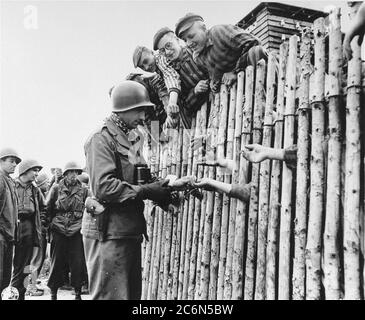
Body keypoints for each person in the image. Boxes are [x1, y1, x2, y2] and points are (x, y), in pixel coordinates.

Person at [82, 81, 194, 300]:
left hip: (128, 230)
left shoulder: (132, 137)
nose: (144, 116)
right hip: (108, 233)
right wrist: (148, 191)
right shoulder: (101, 138)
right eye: (140, 110)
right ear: (124, 108)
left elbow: (142, 176)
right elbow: (105, 188)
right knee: (111, 297)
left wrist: (167, 187)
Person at [175, 13, 267, 93]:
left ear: (203, 28)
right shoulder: (198, 58)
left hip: (259, 75)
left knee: (256, 51)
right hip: (239, 89)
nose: (189, 43)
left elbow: (253, 42)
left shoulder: (218, 32)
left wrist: (235, 72)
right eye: (185, 40)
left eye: (191, 36)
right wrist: (213, 83)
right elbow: (214, 75)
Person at [46, 161, 89, 300]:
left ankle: (77, 292)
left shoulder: (84, 189)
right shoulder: (56, 188)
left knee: (77, 262)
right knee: (56, 261)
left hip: (77, 229)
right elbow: (48, 210)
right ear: (65, 174)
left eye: (76, 172)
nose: (73, 175)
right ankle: (53, 293)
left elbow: (88, 209)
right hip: (58, 228)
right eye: (70, 172)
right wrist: (48, 228)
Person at [153, 27, 210, 129]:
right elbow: (184, 106)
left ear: (177, 39)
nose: (167, 52)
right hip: (201, 121)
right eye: (162, 50)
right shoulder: (172, 73)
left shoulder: (195, 50)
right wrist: (195, 92)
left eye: (168, 45)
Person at [11, 159, 44, 300]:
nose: (37, 174)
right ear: (25, 171)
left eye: (38, 171)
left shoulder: (35, 189)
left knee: (26, 265)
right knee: (13, 265)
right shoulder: (11, 185)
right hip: (13, 226)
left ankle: (21, 295)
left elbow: (44, 207)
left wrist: (41, 222)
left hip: (29, 227)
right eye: (34, 170)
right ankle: (12, 292)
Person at [133, 45, 181, 127]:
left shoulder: (160, 59)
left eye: (146, 61)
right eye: (142, 67)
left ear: (152, 52)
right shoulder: (156, 73)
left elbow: (170, 76)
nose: (146, 67)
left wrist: (172, 102)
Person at [0, 148, 21, 299]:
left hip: (8, 236)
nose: (15, 165)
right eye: (11, 161)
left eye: (16, 162)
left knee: (5, 277)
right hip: (1, 235)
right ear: (1, 161)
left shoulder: (10, 181)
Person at [26, 172, 50, 296]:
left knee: (35, 259)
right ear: (41, 184)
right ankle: (31, 286)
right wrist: (42, 222)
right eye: (46, 182)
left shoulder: (36, 192)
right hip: (37, 231)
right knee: (36, 259)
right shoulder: (37, 192)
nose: (49, 183)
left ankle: (30, 283)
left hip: (37, 230)